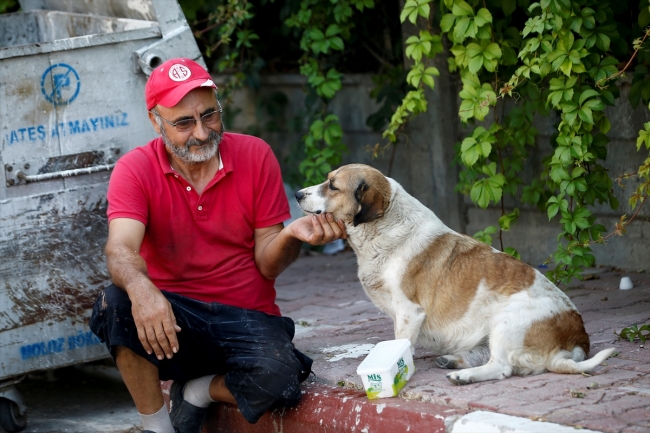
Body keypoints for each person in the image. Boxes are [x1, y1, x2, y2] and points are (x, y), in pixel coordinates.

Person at [89, 57, 347, 433]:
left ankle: (197, 391)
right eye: (183, 123)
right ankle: (157, 427)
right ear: (155, 121)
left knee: (284, 380)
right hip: (173, 324)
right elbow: (120, 249)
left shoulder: (255, 155)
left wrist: (291, 235)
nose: (201, 132)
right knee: (116, 303)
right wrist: (143, 290)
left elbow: (268, 264)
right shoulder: (135, 168)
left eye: (209, 116)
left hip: (246, 315)